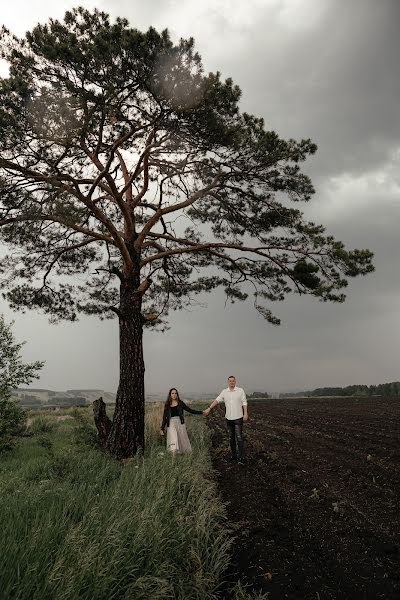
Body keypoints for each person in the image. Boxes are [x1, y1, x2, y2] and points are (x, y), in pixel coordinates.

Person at [204, 375, 248, 464]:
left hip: (238, 418)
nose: (231, 382)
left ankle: (242, 457)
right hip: (229, 419)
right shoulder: (224, 392)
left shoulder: (240, 391)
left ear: (235, 382)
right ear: (228, 382)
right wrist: (209, 408)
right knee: (231, 438)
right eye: (230, 381)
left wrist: (245, 413)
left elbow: (244, 402)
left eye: (233, 381)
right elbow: (217, 400)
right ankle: (234, 455)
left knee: (239, 437)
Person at [160, 388, 204, 454]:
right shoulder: (167, 405)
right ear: (170, 395)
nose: (174, 395)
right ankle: (173, 459)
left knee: (182, 439)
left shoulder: (180, 403)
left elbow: (190, 410)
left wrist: (201, 412)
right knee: (173, 439)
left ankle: (183, 453)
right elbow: (164, 418)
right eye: (172, 393)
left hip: (180, 422)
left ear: (177, 394)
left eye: (175, 393)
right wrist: (162, 428)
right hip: (171, 423)